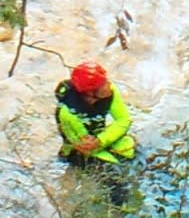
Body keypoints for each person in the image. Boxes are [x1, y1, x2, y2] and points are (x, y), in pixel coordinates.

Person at [54, 62, 137, 203]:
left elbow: (123, 120)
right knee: (116, 182)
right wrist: (100, 142)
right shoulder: (67, 112)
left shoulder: (109, 92)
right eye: (102, 85)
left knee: (137, 157)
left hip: (99, 140)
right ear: (90, 93)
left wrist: (102, 139)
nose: (108, 85)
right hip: (79, 151)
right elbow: (84, 145)